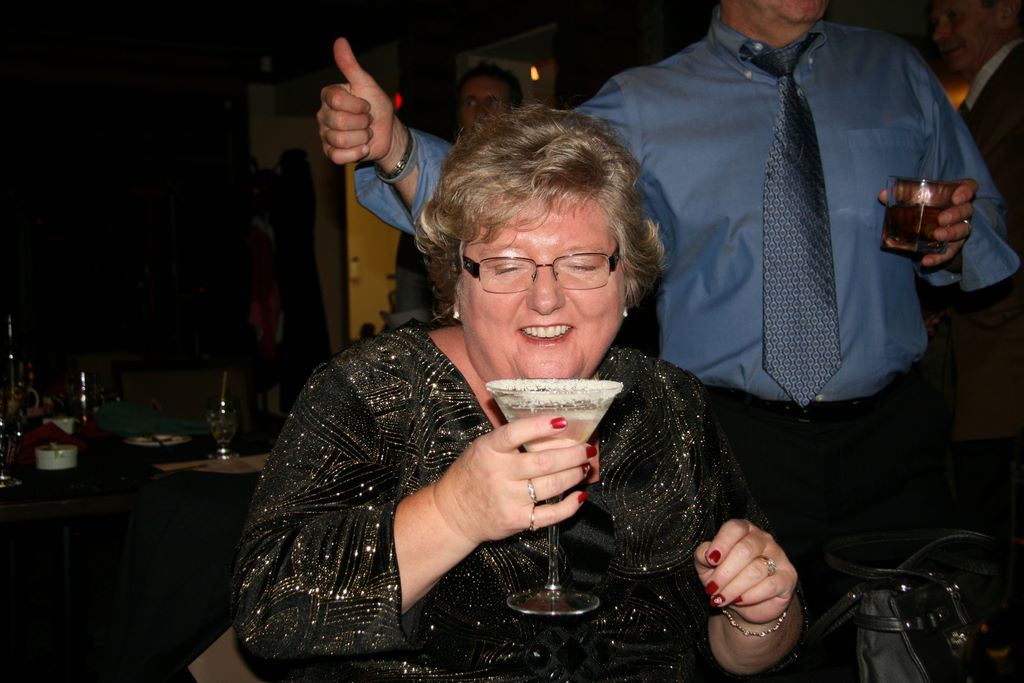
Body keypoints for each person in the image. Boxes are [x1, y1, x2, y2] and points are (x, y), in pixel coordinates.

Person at [315, 1, 1019, 620]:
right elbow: (519, 193)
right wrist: (397, 149)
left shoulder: (898, 71)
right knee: (751, 642)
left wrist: (958, 239)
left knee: (919, 648)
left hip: (894, 442)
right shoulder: (646, 103)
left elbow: (986, 218)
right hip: (736, 446)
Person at [232, 105, 803, 680]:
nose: (546, 299)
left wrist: (756, 614)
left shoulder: (669, 402)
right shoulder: (372, 390)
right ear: (457, 284)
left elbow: (747, 648)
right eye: (506, 266)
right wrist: (452, 514)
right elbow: (266, 615)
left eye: (581, 263)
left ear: (626, 281)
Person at [930, 0, 1024, 540]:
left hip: (1005, 355)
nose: (940, 33)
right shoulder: (982, 97)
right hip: (984, 355)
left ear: (1006, 11)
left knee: (992, 525)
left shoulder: (1014, 91)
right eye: (936, 21)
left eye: (955, 16)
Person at [390, 61, 524, 328]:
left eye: (493, 101)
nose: (481, 112)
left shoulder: (538, 185)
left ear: (515, 112)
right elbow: (410, 298)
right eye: (470, 102)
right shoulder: (432, 183)